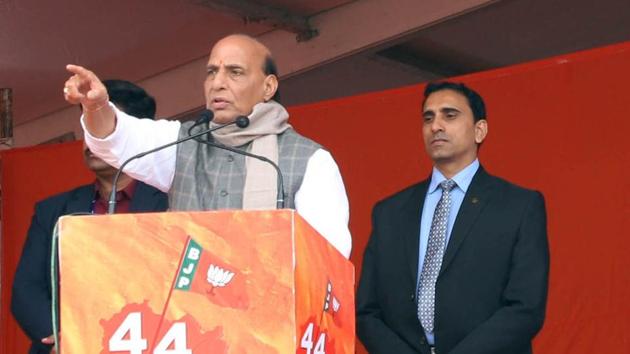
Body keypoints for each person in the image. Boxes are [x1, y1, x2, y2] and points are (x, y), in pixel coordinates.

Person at [62, 34, 352, 258]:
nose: (218, 83)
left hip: (272, 326)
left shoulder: (309, 160)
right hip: (189, 325)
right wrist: (97, 106)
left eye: (235, 72)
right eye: (212, 72)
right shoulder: (184, 143)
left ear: (268, 87)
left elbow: (328, 261)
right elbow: (116, 141)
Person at [356, 81, 549, 354]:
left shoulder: (519, 206)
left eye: (450, 115)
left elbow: (525, 308)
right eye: (428, 118)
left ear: (479, 130)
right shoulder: (389, 213)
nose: (436, 126)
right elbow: (367, 312)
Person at [11, 80, 169, 354]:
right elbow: (27, 289)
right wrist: (61, 338)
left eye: (101, 128)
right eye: (87, 128)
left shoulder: (171, 202)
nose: (91, 140)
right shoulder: (52, 210)